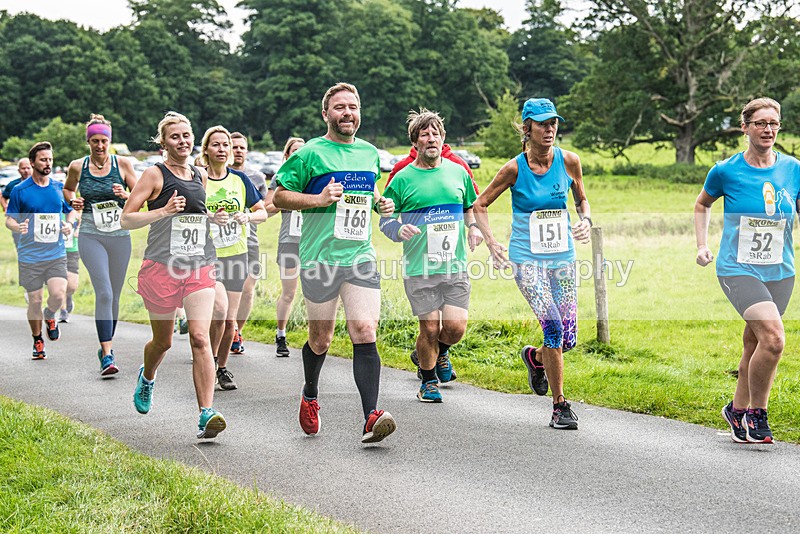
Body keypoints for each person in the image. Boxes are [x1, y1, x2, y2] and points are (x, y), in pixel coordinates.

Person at [273, 82, 397, 444]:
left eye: (353, 107)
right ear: (326, 114)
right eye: (340, 107)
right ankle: (310, 393)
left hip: (359, 256)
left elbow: (368, 189)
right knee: (321, 338)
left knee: (364, 329)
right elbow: (279, 196)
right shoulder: (310, 153)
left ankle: (371, 416)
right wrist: (318, 198)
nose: (348, 113)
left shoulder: (370, 153)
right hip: (319, 259)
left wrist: (380, 203)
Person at [473, 98, 591, 430]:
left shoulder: (569, 161)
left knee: (567, 339)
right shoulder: (514, 168)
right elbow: (480, 204)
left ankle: (535, 358)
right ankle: (560, 406)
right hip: (527, 261)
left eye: (553, 122)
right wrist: (493, 241)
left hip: (563, 259)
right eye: (542, 123)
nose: (550, 129)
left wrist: (585, 218)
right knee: (553, 327)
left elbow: (581, 198)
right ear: (528, 128)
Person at [695, 97, 800, 444]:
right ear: (745, 127)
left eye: (773, 123)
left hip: (780, 270)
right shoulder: (726, 170)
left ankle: (736, 410)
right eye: (760, 123)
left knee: (754, 342)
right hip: (737, 268)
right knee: (773, 339)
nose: (768, 129)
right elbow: (702, 204)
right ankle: (757, 414)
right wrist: (702, 245)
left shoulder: (793, 168)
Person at [120, 111, 226, 439]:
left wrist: (213, 218)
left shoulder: (199, 175)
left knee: (199, 336)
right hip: (161, 269)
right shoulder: (154, 174)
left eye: (186, 135)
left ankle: (206, 412)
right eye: (175, 136)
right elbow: (127, 219)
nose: (183, 141)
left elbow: (196, 214)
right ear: (163, 142)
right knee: (163, 342)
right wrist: (162, 211)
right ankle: (148, 376)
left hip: (198, 265)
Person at [380, 109, 482, 402]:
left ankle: (436, 351)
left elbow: (468, 206)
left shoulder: (458, 172)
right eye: (424, 134)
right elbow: (385, 219)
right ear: (415, 142)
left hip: (455, 264)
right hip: (419, 267)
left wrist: (473, 228)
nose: (431, 138)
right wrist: (399, 230)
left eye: (435, 133)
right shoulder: (401, 178)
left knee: (455, 328)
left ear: (443, 138)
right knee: (429, 327)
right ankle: (428, 381)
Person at [63, 114, 138, 375]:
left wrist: (125, 195)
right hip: (90, 235)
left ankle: (106, 343)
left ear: (110, 140)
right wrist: (74, 202)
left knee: (115, 295)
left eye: (103, 140)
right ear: (88, 141)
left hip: (119, 237)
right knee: (104, 292)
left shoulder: (123, 164)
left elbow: (142, 196)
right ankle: (107, 353)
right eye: (94, 141)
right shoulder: (77, 166)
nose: (99, 145)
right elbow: (68, 190)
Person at [196, 126, 266, 390]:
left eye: (226, 144)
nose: (222, 149)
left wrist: (248, 216)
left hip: (237, 254)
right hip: (208, 256)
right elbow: (189, 214)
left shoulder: (239, 179)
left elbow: (262, 211)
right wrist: (209, 217)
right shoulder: (199, 178)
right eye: (216, 145)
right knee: (219, 310)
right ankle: (209, 363)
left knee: (229, 321)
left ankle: (220, 367)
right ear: (206, 150)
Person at [5, 142, 74, 359]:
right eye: (43, 160)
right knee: (34, 299)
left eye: (50, 160)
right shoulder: (19, 191)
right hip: (30, 256)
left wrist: (69, 224)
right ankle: (37, 340)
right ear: (33, 162)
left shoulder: (57, 188)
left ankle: (50, 314)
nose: (48, 164)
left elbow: (70, 212)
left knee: (58, 294)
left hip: (55, 253)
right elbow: (9, 220)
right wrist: (18, 226)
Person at [264, 136, 305, 357]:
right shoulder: (281, 178)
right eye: (295, 151)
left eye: (303, 151)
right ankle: (281, 334)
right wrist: (286, 202)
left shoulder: (313, 177)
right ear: (287, 155)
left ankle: (315, 338)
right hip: (289, 242)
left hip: (312, 242)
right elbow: (267, 207)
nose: (299, 154)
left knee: (315, 292)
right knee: (289, 292)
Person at [229, 131, 269, 355]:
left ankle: (237, 330)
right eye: (233, 147)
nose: (238, 151)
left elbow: (262, 209)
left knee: (248, 290)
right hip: (223, 244)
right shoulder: (215, 175)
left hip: (250, 240)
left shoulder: (256, 177)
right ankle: (227, 329)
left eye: (241, 147)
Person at [59, 212, 80, 323]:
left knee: (72, 286)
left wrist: (78, 229)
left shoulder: (74, 210)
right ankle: (63, 311)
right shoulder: (54, 208)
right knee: (61, 283)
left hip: (72, 251)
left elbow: (83, 220)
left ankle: (68, 297)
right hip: (57, 252)